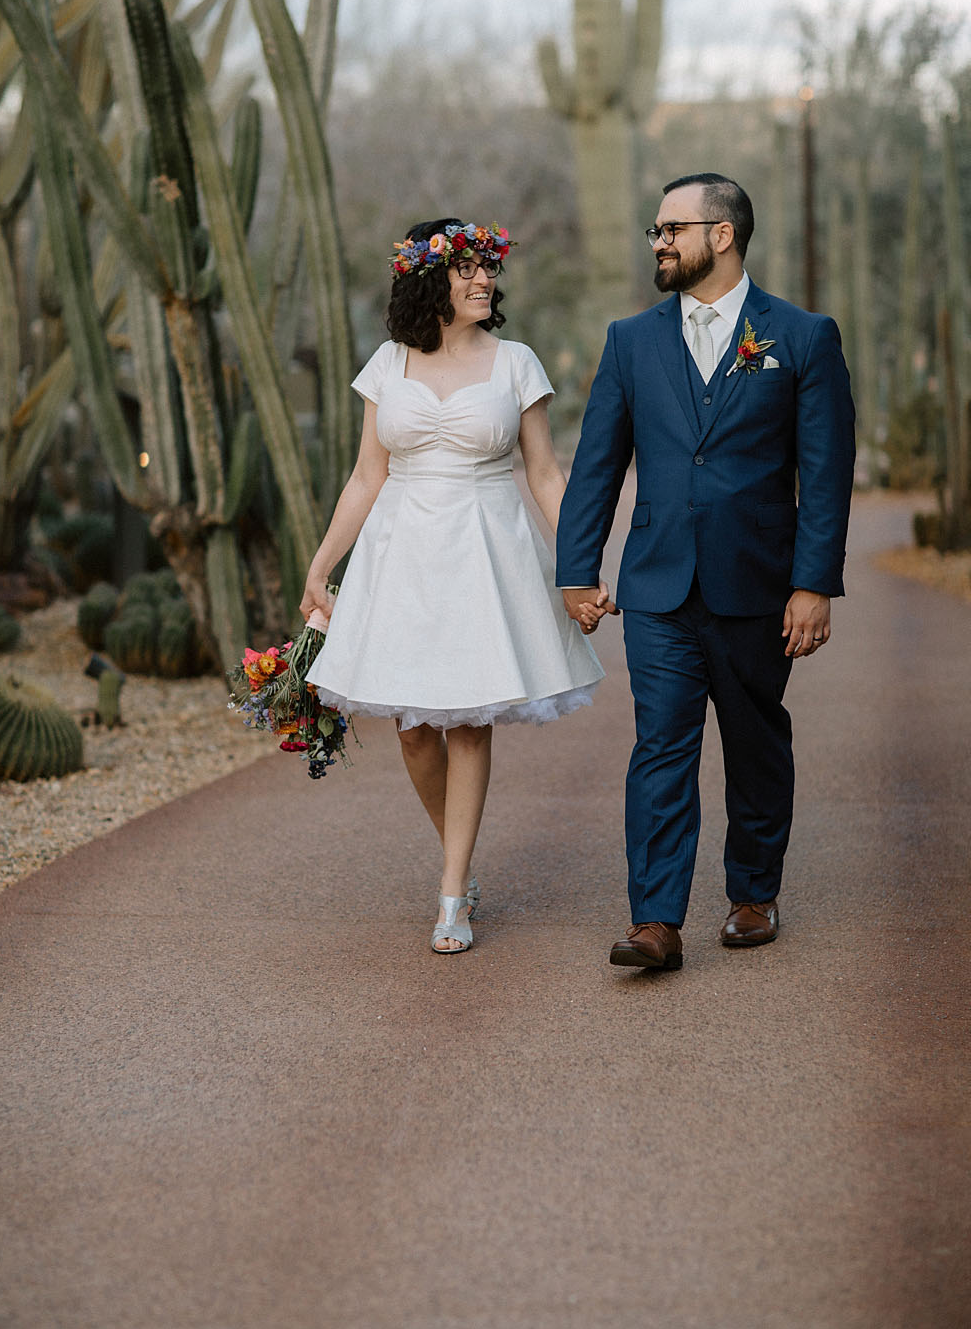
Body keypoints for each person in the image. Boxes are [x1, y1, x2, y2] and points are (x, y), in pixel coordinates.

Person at [557, 172, 854, 972]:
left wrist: (814, 582)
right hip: (656, 584)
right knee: (660, 743)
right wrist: (577, 570)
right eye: (655, 231)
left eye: (671, 229)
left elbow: (824, 473)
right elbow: (596, 464)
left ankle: (753, 893)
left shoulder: (801, 336)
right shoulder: (631, 340)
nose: (658, 242)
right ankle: (655, 919)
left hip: (759, 581)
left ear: (721, 235)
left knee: (755, 740)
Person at [301, 218, 605, 955]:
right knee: (413, 733)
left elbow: (544, 473)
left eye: (487, 268)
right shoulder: (387, 363)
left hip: (484, 550)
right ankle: (457, 856)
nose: (483, 281)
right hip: (400, 553)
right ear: (425, 278)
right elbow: (367, 473)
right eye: (466, 269)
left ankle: (451, 891)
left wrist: (580, 565)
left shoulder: (517, 363)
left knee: (468, 721)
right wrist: (320, 566)